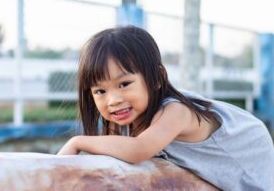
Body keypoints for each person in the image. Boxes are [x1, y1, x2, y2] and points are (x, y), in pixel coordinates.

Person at [57, 26, 274, 190]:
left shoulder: (175, 112)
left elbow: (138, 150)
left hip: (249, 161)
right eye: (100, 91)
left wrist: (77, 141)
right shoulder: (124, 115)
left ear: (157, 78)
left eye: (124, 84)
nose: (112, 100)